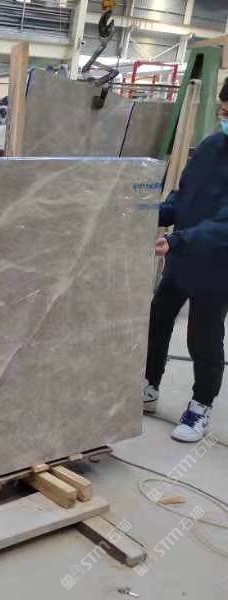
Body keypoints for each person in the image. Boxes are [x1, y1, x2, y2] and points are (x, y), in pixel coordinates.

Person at [143, 76, 228, 442]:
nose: (224, 117)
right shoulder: (210, 146)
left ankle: (200, 405)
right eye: (222, 110)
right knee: (158, 319)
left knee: (202, 337)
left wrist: (179, 240)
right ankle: (149, 384)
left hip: (217, 265)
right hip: (182, 255)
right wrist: (151, 213)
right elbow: (184, 194)